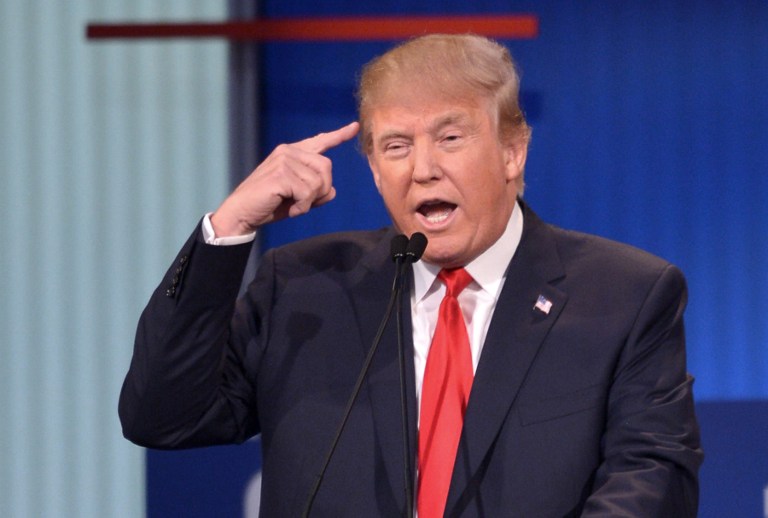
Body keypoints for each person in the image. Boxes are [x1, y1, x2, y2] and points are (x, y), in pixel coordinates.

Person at [119, 34, 703, 517]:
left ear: (512, 152)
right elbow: (163, 417)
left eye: (450, 138)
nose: (423, 169)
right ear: (373, 169)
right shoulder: (302, 289)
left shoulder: (624, 295)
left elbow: (653, 479)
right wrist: (229, 227)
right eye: (395, 145)